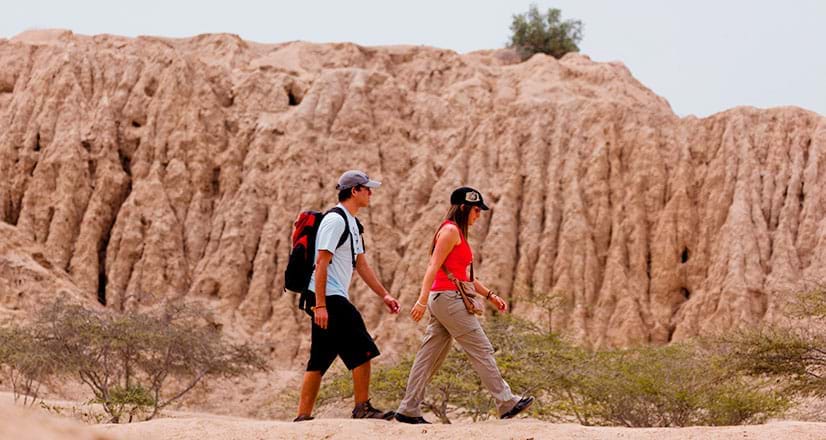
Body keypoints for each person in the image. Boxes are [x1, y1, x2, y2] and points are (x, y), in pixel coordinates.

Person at [394, 186, 534, 424]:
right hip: (448, 300)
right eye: (476, 210)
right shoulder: (450, 231)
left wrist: (490, 295)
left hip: (444, 299)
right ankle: (507, 402)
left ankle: (408, 409)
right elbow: (433, 266)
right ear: (463, 207)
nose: (478, 216)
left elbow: (464, 277)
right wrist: (420, 299)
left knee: (429, 356)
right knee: (481, 348)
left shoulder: (456, 232)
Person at [294, 170, 401, 422]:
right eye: (367, 189)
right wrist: (320, 305)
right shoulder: (335, 220)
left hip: (328, 297)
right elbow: (321, 263)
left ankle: (302, 416)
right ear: (354, 191)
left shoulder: (353, 223)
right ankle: (362, 407)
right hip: (328, 297)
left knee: (320, 357)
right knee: (363, 349)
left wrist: (384, 295)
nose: (370, 193)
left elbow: (361, 265)